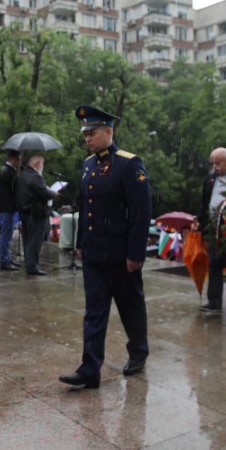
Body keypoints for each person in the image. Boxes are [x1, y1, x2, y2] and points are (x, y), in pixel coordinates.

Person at [59, 106, 152, 389]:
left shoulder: (129, 164)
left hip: (121, 256)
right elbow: (84, 208)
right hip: (95, 254)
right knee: (94, 313)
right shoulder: (87, 165)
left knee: (130, 307)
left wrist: (135, 254)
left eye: (93, 132)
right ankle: (90, 370)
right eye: (85, 133)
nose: (87, 137)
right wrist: (80, 245)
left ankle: (138, 353)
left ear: (109, 132)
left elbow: (141, 211)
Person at [191, 147, 226, 314]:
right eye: (213, 163)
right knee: (214, 264)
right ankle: (214, 301)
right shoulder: (210, 180)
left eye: (218, 163)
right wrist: (198, 220)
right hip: (214, 229)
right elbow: (205, 204)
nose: (215, 167)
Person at [17, 155, 56, 276]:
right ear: (37, 164)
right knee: (34, 241)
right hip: (36, 213)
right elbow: (44, 193)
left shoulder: (23, 174)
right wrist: (53, 193)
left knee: (28, 240)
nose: (43, 166)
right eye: (42, 163)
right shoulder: (35, 177)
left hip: (26, 212)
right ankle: (32, 267)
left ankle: (30, 264)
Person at [0, 149, 22, 270]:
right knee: (6, 235)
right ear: (12, 159)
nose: (20, 163)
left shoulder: (7, 170)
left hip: (6, 207)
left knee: (7, 235)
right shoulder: (8, 172)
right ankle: (5, 261)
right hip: (7, 208)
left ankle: (7, 258)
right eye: (18, 160)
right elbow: (15, 188)